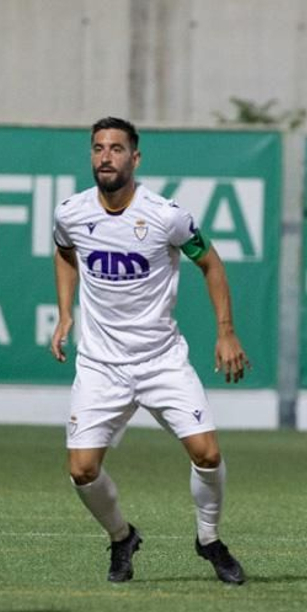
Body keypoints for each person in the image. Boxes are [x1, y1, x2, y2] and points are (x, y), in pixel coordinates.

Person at [50, 117, 250, 585]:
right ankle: (122, 537)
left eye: (117, 149)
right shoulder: (71, 213)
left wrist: (226, 331)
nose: (105, 157)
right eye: (98, 148)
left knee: (207, 452)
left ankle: (208, 540)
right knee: (81, 470)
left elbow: (211, 262)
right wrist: (64, 314)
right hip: (101, 365)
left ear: (134, 159)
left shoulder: (167, 215)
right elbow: (64, 251)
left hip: (162, 360)